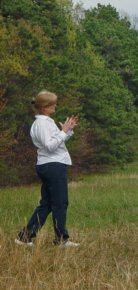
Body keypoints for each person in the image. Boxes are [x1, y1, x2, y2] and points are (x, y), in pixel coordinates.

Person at [16, 91, 80, 247]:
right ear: (45, 107)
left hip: (49, 164)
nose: (55, 106)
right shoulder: (42, 124)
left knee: (47, 204)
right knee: (60, 203)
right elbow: (50, 146)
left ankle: (24, 237)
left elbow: (56, 141)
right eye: (53, 104)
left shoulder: (45, 122)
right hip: (53, 165)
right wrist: (64, 132)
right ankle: (61, 239)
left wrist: (68, 130)